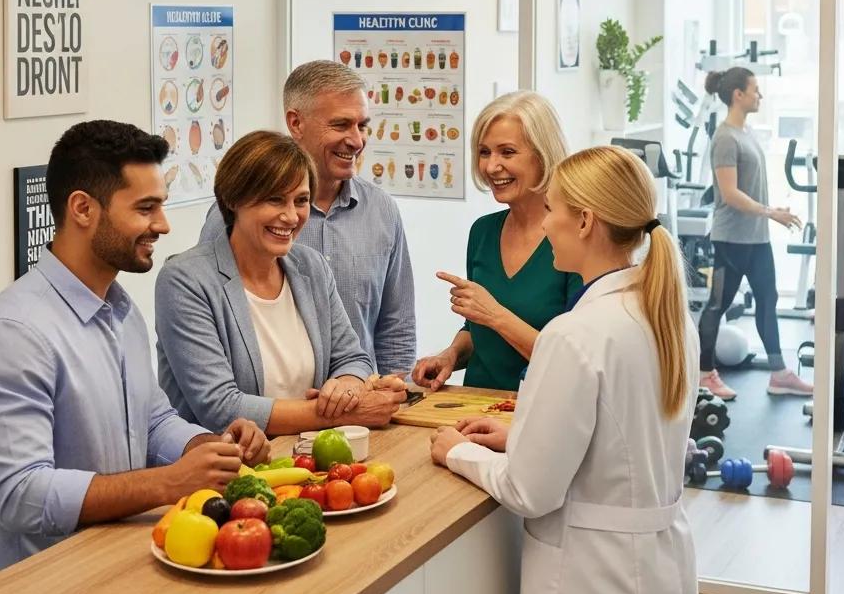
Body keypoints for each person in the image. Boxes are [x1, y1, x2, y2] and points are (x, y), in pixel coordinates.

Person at [0, 121, 269, 578]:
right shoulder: (12, 334)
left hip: (124, 572)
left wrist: (209, 447)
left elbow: (153, 421)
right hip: (48, 592)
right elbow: (20, 495)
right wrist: (168, 482)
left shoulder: (121, 308)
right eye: (146, 208)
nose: (163, 225)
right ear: (83, 209)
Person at [430, 145, 698, 594]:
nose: (545, 223)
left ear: (585, 222)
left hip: (591, 577)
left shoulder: (574, 333)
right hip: (659, 566)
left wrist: (458, 451)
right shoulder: (667, 317)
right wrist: (521, 436)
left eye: (551, 209)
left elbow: (529, 491)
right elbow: (622, 445)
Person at [158, 131, 407, 435]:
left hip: (308, 462)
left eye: (301, 200)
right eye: (274, 200)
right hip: (226, 474)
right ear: (233, 199)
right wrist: (343, 414)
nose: (291, 216)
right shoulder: (184, 280)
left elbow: (352, 358)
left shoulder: (311, 267)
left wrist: (346, 389)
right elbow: (221, 408)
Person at [199, 60, 415, 376]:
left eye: (362, 125)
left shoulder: (382, 211)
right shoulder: (235, 216)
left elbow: (397, 330)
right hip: (266, 415)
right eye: (341, 125)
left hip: (360, 413)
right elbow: (212, 324)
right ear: (296, 123)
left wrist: (396, 399)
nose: (356, 140)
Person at [412, 92, 582, 392]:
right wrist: (451, 355)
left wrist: (494, 313)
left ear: (543, 154)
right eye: (484, 152)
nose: (491, 167)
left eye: (507, 152)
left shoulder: (576, 238)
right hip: (473, 408)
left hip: (540, 414)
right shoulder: (483, 232)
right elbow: (478, 331)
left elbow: (573, 363)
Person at [698, 67, 812, 401]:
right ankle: (705, 374)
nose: (759, 96)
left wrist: (767, 214)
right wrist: (770, 212)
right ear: (738, 95)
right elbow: (730, 193)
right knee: (717, 305)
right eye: (756, 90)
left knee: (768, 299)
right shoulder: (724, 138)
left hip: (756, 237)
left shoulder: (745, 132)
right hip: (731, 238)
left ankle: (779, 373)